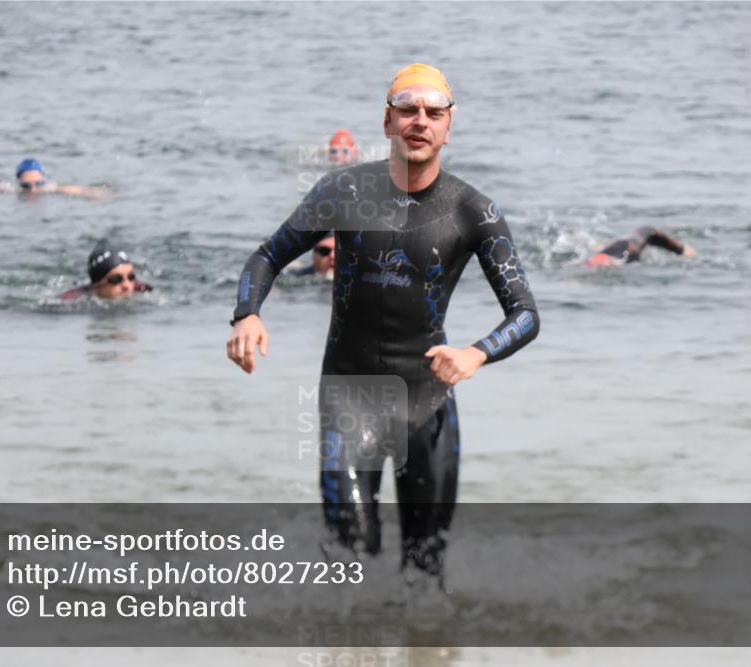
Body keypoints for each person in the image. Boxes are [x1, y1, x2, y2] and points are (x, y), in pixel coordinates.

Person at [225, 64, 539, 585]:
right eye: (408, 110)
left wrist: (476, 352)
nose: (420, 121)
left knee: (424, 569)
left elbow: (525, 314)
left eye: (434, 112)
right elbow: (266, 257)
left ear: (448, 124)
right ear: (387, 120)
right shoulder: (343, 191)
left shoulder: (474, 211)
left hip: (428, 403)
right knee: (351, 556)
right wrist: (248, 314)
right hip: (348, 395)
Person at [0, 158, 111, 199]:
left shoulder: (52, 188)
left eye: (38, 184)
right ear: (19, 183)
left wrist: (100, 194)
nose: (33, 190)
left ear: (44, 181)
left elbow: (79, 190)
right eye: (26, 186)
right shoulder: (10, 189)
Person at [59, 240, 152, 300]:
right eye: (116, 279)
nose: (127, 286)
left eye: (131, 277)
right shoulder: (73, 300)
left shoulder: (142, 289)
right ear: (96, 286)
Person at [584, 227, 696, 267]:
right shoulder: (644, 237)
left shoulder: (633, 242)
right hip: (621, 255)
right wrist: (681, 250)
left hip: (616, 253)